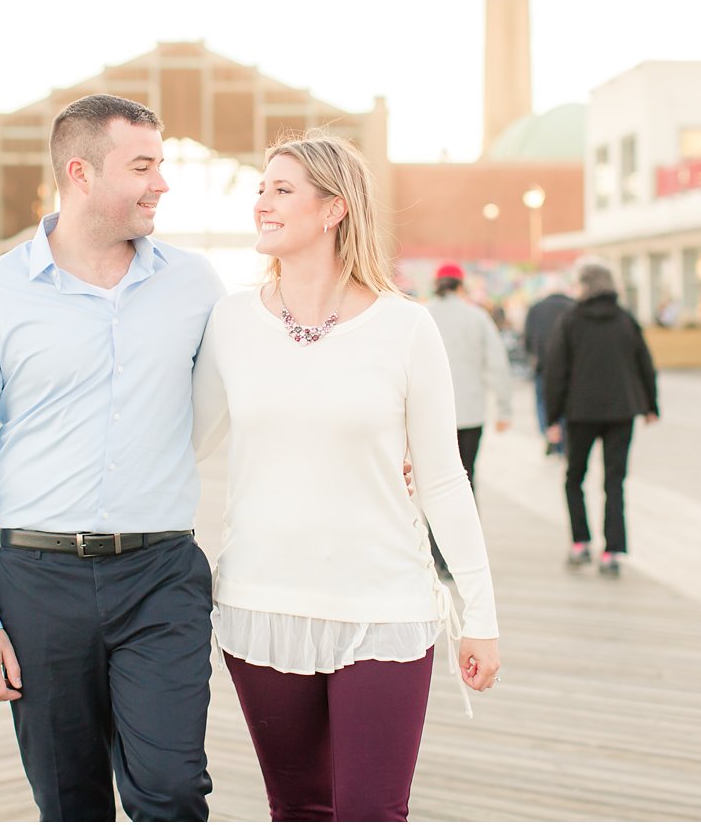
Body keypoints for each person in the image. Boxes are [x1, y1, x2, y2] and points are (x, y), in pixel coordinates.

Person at [0, 94, 226, 821]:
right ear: (81, 172)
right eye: (144, 165)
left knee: (175, 789)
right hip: (38, 583)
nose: (162, 183)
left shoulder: (196, 284)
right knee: (70, 802)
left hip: (162, 576)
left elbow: (256, 393)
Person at [192, 135, 500, 823]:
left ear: (334, 209)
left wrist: (479, 616)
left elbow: (445, 483)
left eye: (282, 189)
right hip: (262, 603)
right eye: (261, 186)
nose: (261, 201)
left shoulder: (406, 328)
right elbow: (180, 443)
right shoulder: (231, 321)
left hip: (384, 605)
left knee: (370, 812)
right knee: (299, 807)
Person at [543, 261, 658, 577]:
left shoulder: (570, 322)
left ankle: (580, 543)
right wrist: (651, 405)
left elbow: (556, 372)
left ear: (585, 286)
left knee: (574, 478)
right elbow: (645, 364)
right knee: (614, 482)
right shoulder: (625, 321)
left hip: (581, 413)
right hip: (622, 411)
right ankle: (612, 551)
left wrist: (553, 417)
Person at [424, 262, 512, 490]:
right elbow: (497, 363)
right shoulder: (477, 317)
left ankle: (435, 527)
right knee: (467, 476)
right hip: (470, 411)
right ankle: (468, 525)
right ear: (461, 286)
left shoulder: (423, 316)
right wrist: (504, 409)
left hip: (431, 413)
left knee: (435, 481)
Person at [524, 281, 575, 457]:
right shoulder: (573, 306)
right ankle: (564, 439)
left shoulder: (536, 309)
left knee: (543, 402)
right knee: (565, 402)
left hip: (543, 365)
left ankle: (550, 435)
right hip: (569, 367)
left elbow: (528, 339)